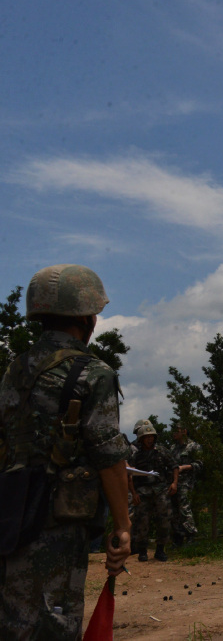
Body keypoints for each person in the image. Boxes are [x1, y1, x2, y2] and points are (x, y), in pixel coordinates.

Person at [0, 264, 131, 640]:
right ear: (87, 317)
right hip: (56, 522)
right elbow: (108, 454)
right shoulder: (93, 373)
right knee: (53, 622)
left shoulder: (15, 370)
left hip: (10, 513)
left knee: (12, 620)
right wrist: (123, 525)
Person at [129, 421, 178, 562]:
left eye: (151, 436)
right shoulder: (136, 455)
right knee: (142, 522)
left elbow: (174, 466)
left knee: (164, 520)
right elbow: (129, 475)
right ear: (141, 439)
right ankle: (142, 551)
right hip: (142, 492)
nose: (149, 439)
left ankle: (160, 550)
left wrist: (174, 483)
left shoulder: (162, 451)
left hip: (161, 490)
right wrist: (133, 493)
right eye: (146, 437)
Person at [170, 424, 203, 545]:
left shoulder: (194, 446)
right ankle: (178, 537)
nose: (174, 433)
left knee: (184, 508)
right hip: (173, 482)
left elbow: (199, 464)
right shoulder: (173, 448)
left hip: (187, 483)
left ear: (184, 431)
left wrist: (184, 467)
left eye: (176, 430)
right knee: (174, 511)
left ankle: (190, 535)